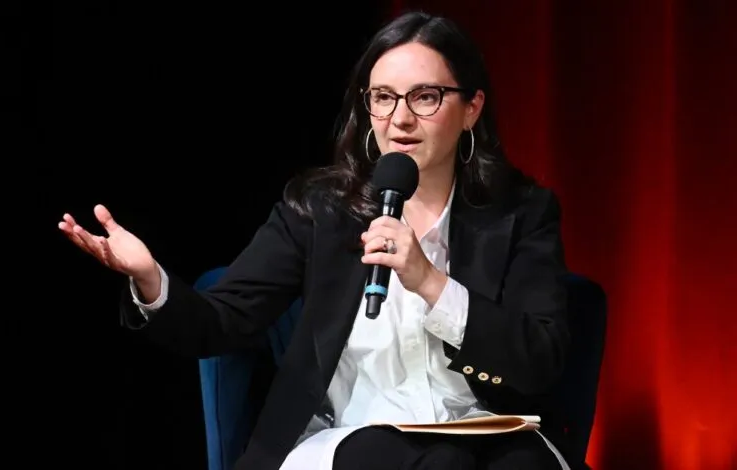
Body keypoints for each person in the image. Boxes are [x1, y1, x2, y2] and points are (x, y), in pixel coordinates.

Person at [59, 11, 572, 470]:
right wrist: (151, 280)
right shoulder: (321, 210)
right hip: (355, 434)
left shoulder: (521, 213)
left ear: (472, 108)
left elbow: (541, 358)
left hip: (484, 435)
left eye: (425, 97)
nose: (401, 118)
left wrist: (431, 282)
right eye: (383, 97)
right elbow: (221, 322)